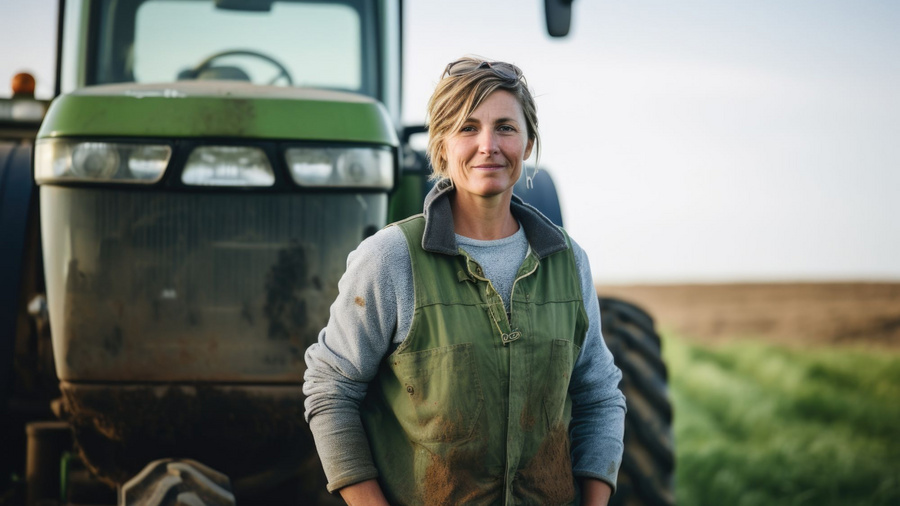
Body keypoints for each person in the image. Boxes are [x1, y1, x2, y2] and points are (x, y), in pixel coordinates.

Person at [303, 56, 626, 506]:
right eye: (468, 127)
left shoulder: (569, 262)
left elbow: (599, 395)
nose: (488, 145)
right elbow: (331, 388)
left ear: (528, 142)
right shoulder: (391, 258)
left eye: (506, 128)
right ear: (441, 144)